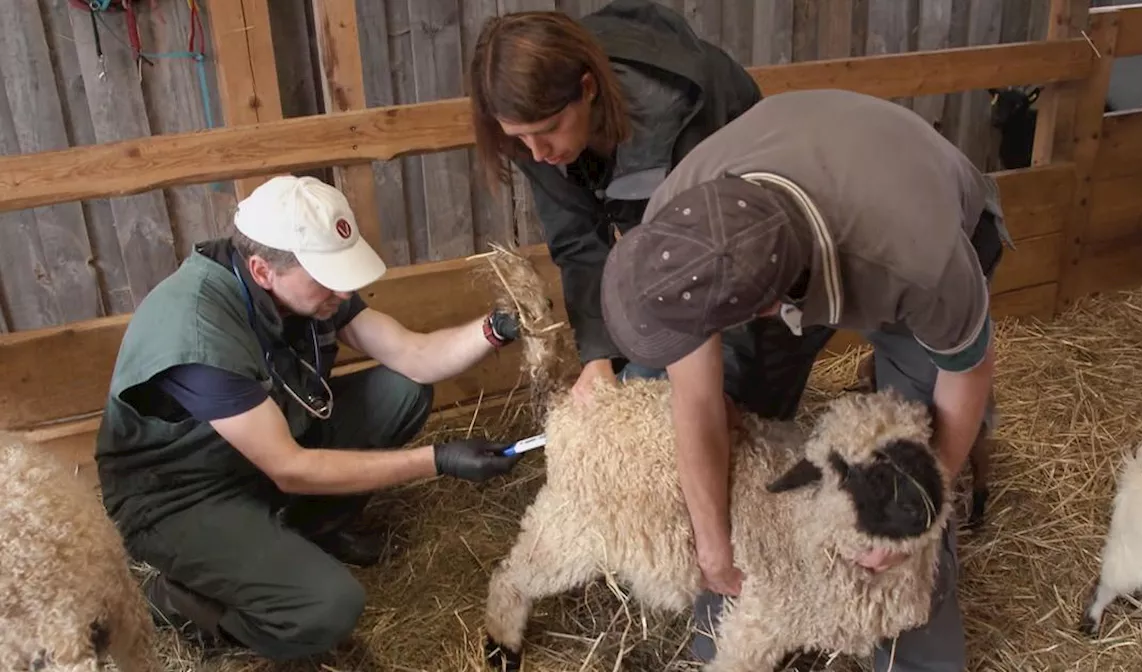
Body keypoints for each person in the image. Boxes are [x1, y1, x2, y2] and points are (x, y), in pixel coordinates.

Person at [598, 88, 1012, 671]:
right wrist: (715, 551)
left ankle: (917, 657)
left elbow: (967, 370)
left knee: (900, 484)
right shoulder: (682, 226)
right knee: (740, 446)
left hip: (913, 245)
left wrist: (916, 505)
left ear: (760, 310)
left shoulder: (921, 259)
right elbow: (697, 401)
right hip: (795, 239)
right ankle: (727, 644)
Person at [93, 175, 526, 661]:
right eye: (326, 276)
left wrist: (497, 329)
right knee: (329, 609)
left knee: (402, 390)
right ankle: (182, 603)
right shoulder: (197, 331)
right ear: (262, 270)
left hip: (257, 448)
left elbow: (415, 354)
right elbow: (290, 468)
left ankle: (312, 531)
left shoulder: (305, 291)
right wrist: (439, 459)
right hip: (181, 493)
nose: (343, 291)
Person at [468, 0, 773, 405]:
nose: (537, 153)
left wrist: (720, 393)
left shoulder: (680, 111)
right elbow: (577, 242)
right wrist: (597, 357)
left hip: (749, 239)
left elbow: (716, 262)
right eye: (520, 137)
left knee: (741, 402)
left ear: (588, 88)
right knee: (639, 385)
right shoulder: (538, 133)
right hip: (657, 221)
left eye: (547, 131)